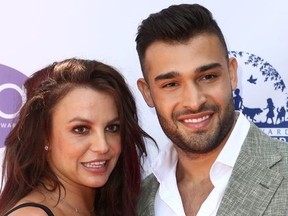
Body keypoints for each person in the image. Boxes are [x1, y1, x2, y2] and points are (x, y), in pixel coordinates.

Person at [135, 3, 288, 216]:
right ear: (147, 93)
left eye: (208, 77)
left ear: (232, 74)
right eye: (171, 84)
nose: (194, 101)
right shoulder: (136, 201)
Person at [0, 58, 155, 215]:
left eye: (112, 128)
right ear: (44, 136)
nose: (102, 146)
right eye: (81, 129)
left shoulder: (105, 206)